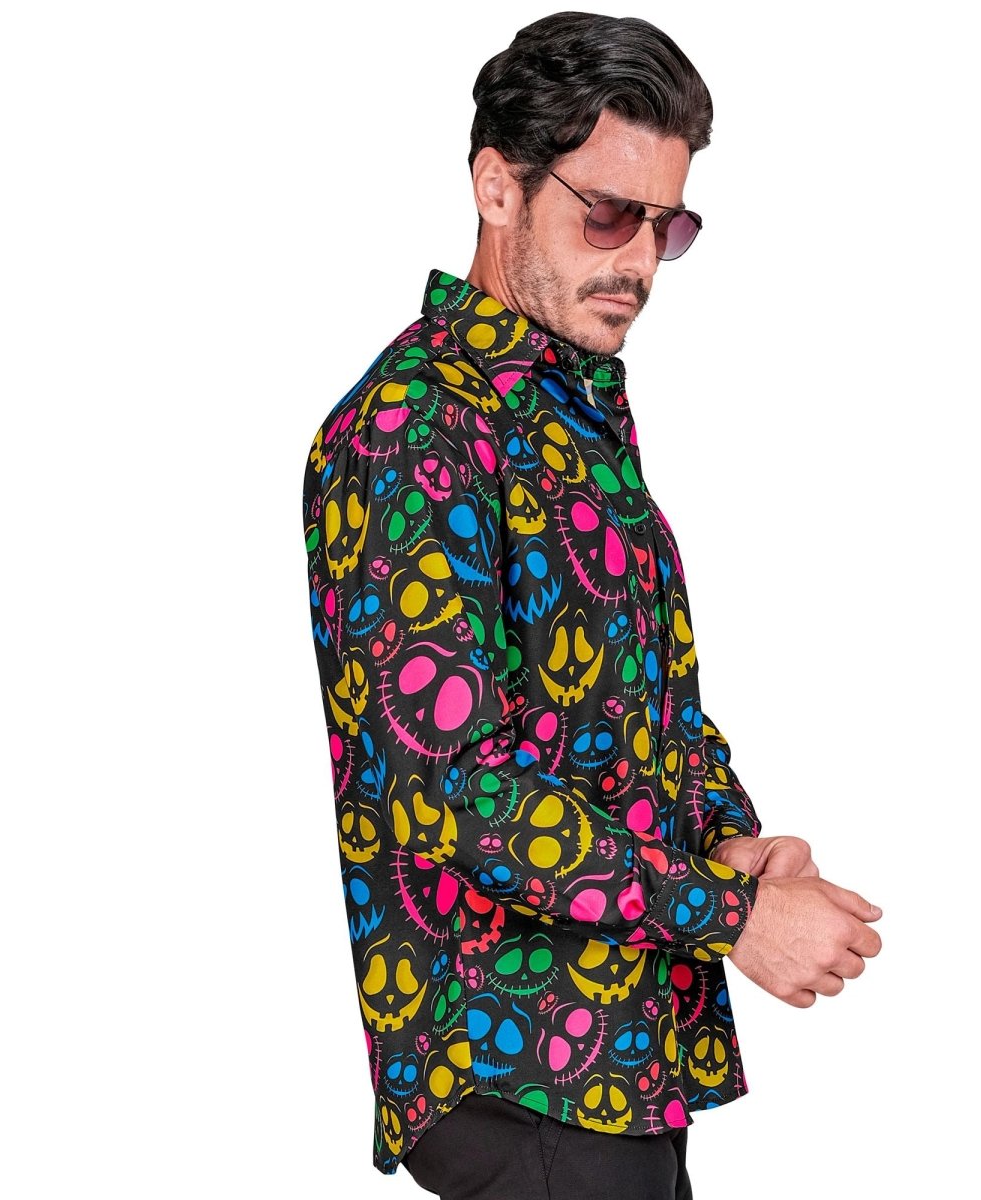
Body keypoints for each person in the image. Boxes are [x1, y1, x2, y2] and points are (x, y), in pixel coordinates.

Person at [300, 12, 883, 1197]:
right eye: (610, 214)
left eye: (669, 225)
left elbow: (633, 711)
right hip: (516, 1065)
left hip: (612, 1052)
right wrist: (730, 914)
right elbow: (458, 794)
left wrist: (727, 835)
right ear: (497, 187)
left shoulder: (569, 417)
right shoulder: (417, 428)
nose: (640, 262)